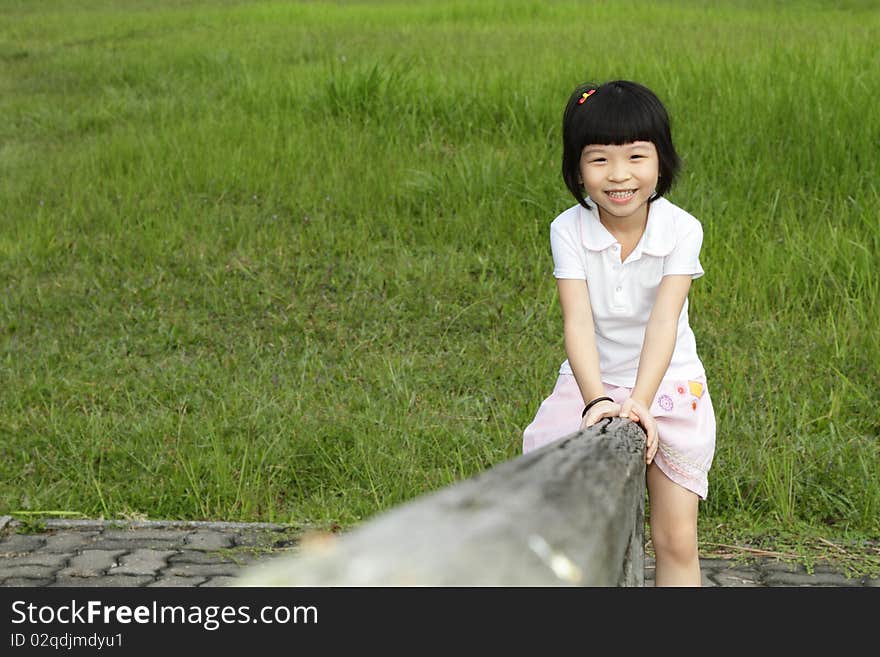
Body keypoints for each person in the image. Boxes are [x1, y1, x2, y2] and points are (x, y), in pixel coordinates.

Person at [522, 80, 716, 586]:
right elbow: (577, 320)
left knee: (676, 539)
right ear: (577, 168)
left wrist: (641, 402)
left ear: (661, 161)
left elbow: (664, 322)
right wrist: (595, 400)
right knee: (568, 530)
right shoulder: (568, 229)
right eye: (599, 160)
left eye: (635, 156)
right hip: (591, 379)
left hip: (668, 381)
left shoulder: (682, 229)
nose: (619, 175)